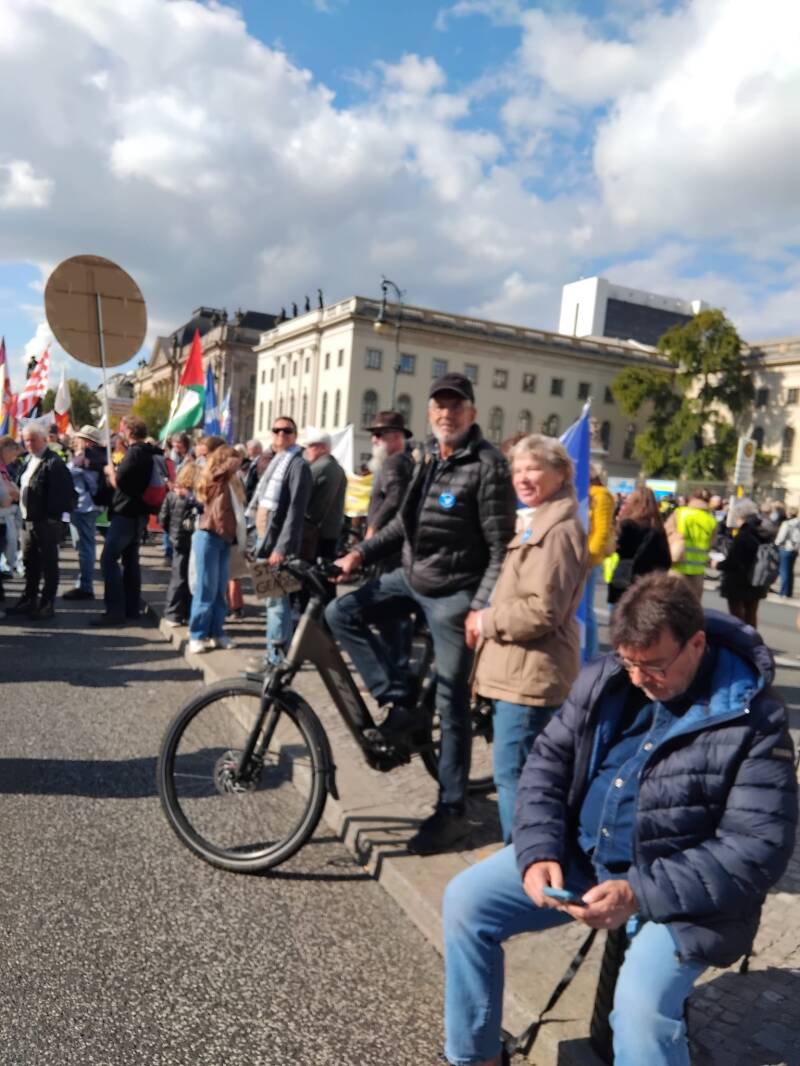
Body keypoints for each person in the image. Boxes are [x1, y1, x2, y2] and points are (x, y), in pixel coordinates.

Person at [442, 571, 797, 1066]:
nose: (637, 679)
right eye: (629, 663)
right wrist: (539, 848)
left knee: (639, 1010)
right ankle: (475, 1057)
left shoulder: (755, 718)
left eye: (652, 666)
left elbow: (757, 849)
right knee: (466, 901)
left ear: (696, 644)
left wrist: (637, 893)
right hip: (581, 859)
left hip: (678, 897)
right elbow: (547, 763)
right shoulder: (607, 676)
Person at [328, 372, 516, 855]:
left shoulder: (489, 465)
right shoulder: (427, 457)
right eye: (439, 406)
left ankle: (452, 810)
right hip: (411, 577)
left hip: (455, 594)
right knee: (340, 612)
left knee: (453, 705)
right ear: (429, 414)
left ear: (471, 413)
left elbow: (501, 549)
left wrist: (479, 608)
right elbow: (401, 531)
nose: (446, 413)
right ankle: (402, 700)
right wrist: (360, 555)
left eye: (455, 406)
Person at [472, 434, 586, 842]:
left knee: (517, 780)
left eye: (533, 468)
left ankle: (521, 871)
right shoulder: (540, 521)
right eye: (517, 470)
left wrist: (487, 622)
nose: (522, 477)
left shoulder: (555, 531)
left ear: (560, 473)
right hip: (521, 671)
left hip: (530, 676)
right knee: (521, 777)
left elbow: (543, 611)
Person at [247, 415, 312, 666]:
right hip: (266, 539)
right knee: (272, 599)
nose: (281, 435)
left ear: (295, 435)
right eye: (276, 431)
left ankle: (275, 658)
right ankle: (274, 654)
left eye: (287, 431)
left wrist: (282, 548)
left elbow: (296, 510)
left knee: (277, 600)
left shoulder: (298, 465)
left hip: (277, 544)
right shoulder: (277, 462)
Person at [4, 423, 75, 620]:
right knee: (30, 563)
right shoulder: (28, 459)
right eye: (26, 440)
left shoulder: (53, 463)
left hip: (46, 523)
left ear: (44, 439)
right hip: (28, 521)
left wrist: (52, 519)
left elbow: (64, 494)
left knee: (49, 564)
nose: (29, 444)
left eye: (33, 440)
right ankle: (29, 599)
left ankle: (47, 603)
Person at [93, 416, 158, 627]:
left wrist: (110, 471)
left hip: (126, 514)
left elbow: (119, 482)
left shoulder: (136, 453)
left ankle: (115, 610)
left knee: (108, 560)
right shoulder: (147, 452)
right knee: (131, 561)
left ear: (129, 431)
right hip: (138, 514)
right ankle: (131, 608)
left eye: (123, 429)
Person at [187, 445, 244, 653]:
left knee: (220, 589)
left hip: (225, 539)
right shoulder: (215, 478)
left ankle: (217, 632)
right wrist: (226, 465)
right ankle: (197, 634)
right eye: (233, 459)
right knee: (205, 588)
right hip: (209, 536)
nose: (237, 463)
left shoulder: (232, 482)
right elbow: (213, 476)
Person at [607, 487, 671, 608]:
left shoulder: (628, 525)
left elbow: (618, 549)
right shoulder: (658, 528)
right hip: (649, 583)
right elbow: (666, 560)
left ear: (633, 503)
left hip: (626, 579)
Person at [364, 410, 414, 563]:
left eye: (379, 434)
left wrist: (374, 527)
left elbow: (395, 497)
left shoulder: (393, 461)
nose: (373, 439)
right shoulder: (405, 460)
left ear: (397, 436)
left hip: (386, 540)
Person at [63, 425, 106, 601]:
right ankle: (84, 584)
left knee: (85, 548)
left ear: (87, 441)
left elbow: (65, 472)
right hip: (88, 506)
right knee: (84, 547)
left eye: (79, 438)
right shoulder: (98, 457)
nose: (75, 440)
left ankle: (85, 586)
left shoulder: (84, 458)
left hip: (83, 507)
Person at [716, 498, 773, 628]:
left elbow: (734, 561)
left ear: (740, 515)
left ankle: (740, 641)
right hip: (758, 578)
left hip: (739, 580)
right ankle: (752, 641)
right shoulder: (763, 531)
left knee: (736, 615)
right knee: (751, 614)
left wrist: (717, 564)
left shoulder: (744, 535)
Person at [159, 461, 199, 626]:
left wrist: (171, 532)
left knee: (178, 576)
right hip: (191, 540)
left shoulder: (172, 495)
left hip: (176, 539)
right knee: (188, 578)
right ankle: (181, 613)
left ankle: (174, 613)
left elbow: (163, 518)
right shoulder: (194, 498)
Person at [302, 428, 347, 561]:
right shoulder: (337, 468)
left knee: (311, 573)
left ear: (322, 448)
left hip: (315, 532)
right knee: (324, 572)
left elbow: (302, 495)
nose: (307, 450)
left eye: (311, 446)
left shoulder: (319, 468)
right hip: (331, 529)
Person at [665, 488, 717, 600]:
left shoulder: (680, 513)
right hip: (697, 571)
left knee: (672, 605)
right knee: (692, 608)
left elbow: (665, 534)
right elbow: (710, 544)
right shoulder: (711, 520)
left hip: (677, 567)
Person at [585, 464, 615, 660]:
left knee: (586, 610)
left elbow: (602, 531)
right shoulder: (582, 493)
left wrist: (589, 557)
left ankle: (590, 654)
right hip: (576, 558)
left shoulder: (601, 495)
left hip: (587, 560)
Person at [0, 435, 22, 584]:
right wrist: (11, 493)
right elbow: (6, 500)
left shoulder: (4, 468)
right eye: (14, 453)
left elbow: (16, 494)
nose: (15, 458)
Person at [775, 506, 800, 599]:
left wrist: (776, 544)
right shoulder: (798, 523)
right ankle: (789, 591)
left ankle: (783, 592)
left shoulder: (787, 523)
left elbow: (781, 537)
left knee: (784, 570)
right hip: (794, 549)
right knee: (790, 571)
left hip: (785, 548)